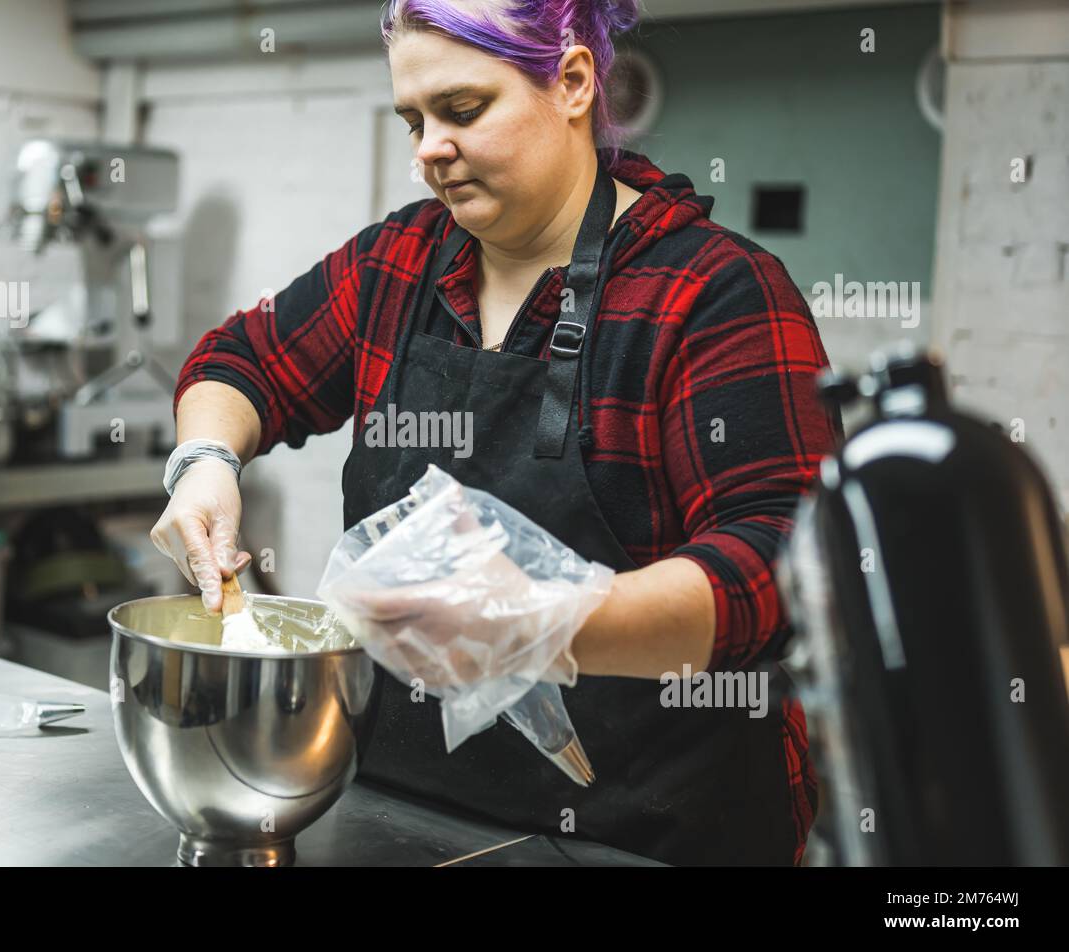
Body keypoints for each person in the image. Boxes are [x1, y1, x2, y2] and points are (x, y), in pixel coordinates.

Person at [152, 0, 842, 865]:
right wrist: (206, 463)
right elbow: (241, 360)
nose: (427, 149)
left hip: (647, 838)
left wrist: (543, 624)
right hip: (400, 822)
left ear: (574, 82)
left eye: (462, 111)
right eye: (412, 119)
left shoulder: (712, 292)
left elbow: (786, 564)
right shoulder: (396, 265)